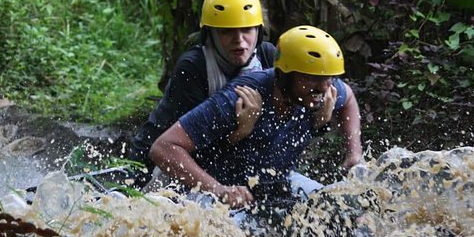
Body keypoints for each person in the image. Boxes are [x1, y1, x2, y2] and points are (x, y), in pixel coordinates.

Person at [149, 25, 363, 207]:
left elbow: (349, 99)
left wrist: (354, 153)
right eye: (313, 79)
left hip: (277, 181)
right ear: (284, 76)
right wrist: (220, 190)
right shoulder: (239, 98)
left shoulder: (323, 91)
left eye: (329, 79)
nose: (324, 88)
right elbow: (164, 147)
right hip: (217, 189)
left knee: (338, 206)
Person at [128, 0, 277, 178]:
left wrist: (320, 122)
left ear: (258, 32)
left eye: (247, 30)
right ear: (211, 35)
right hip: (167, 161)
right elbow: (194, 152)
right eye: (227, 32)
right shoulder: (193, 67)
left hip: (239, 158)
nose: (239, 40)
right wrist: (242, 131)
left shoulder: (268, 56)